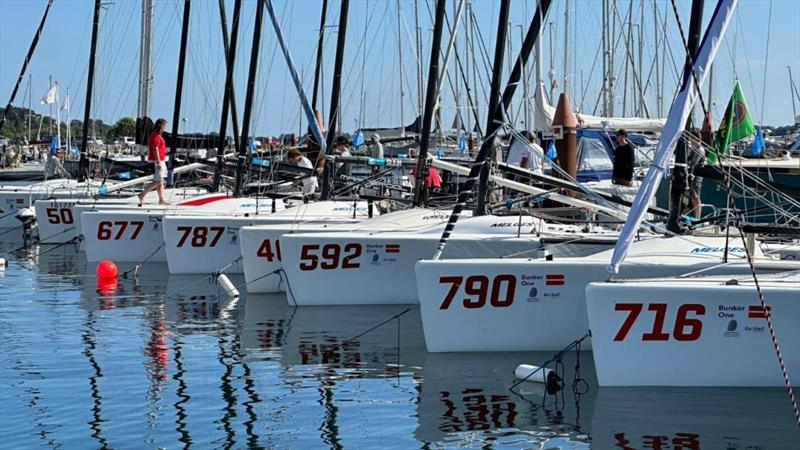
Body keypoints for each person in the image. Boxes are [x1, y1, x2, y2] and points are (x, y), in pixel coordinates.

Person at [138, 118, 169, 205]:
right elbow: (155, 149)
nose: (165, 127)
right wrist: (158, 161)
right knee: (158, 181)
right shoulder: (155, 135)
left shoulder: (156, 135)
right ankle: (142, 195)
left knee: (160, 181)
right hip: (157, 160)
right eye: (165, 125)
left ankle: (161, 200)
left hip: (159, 160)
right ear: (161, 125)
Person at [686, 130, 706, 218]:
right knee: (691, 197)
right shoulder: (694, 148)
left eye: (691, 138)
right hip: (691, 174)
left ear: (695, 138)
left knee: (696, 198)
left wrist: (686, 163)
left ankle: (698, 218)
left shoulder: (700, 149)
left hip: (697, 176)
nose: (690, 140)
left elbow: (693, 162)